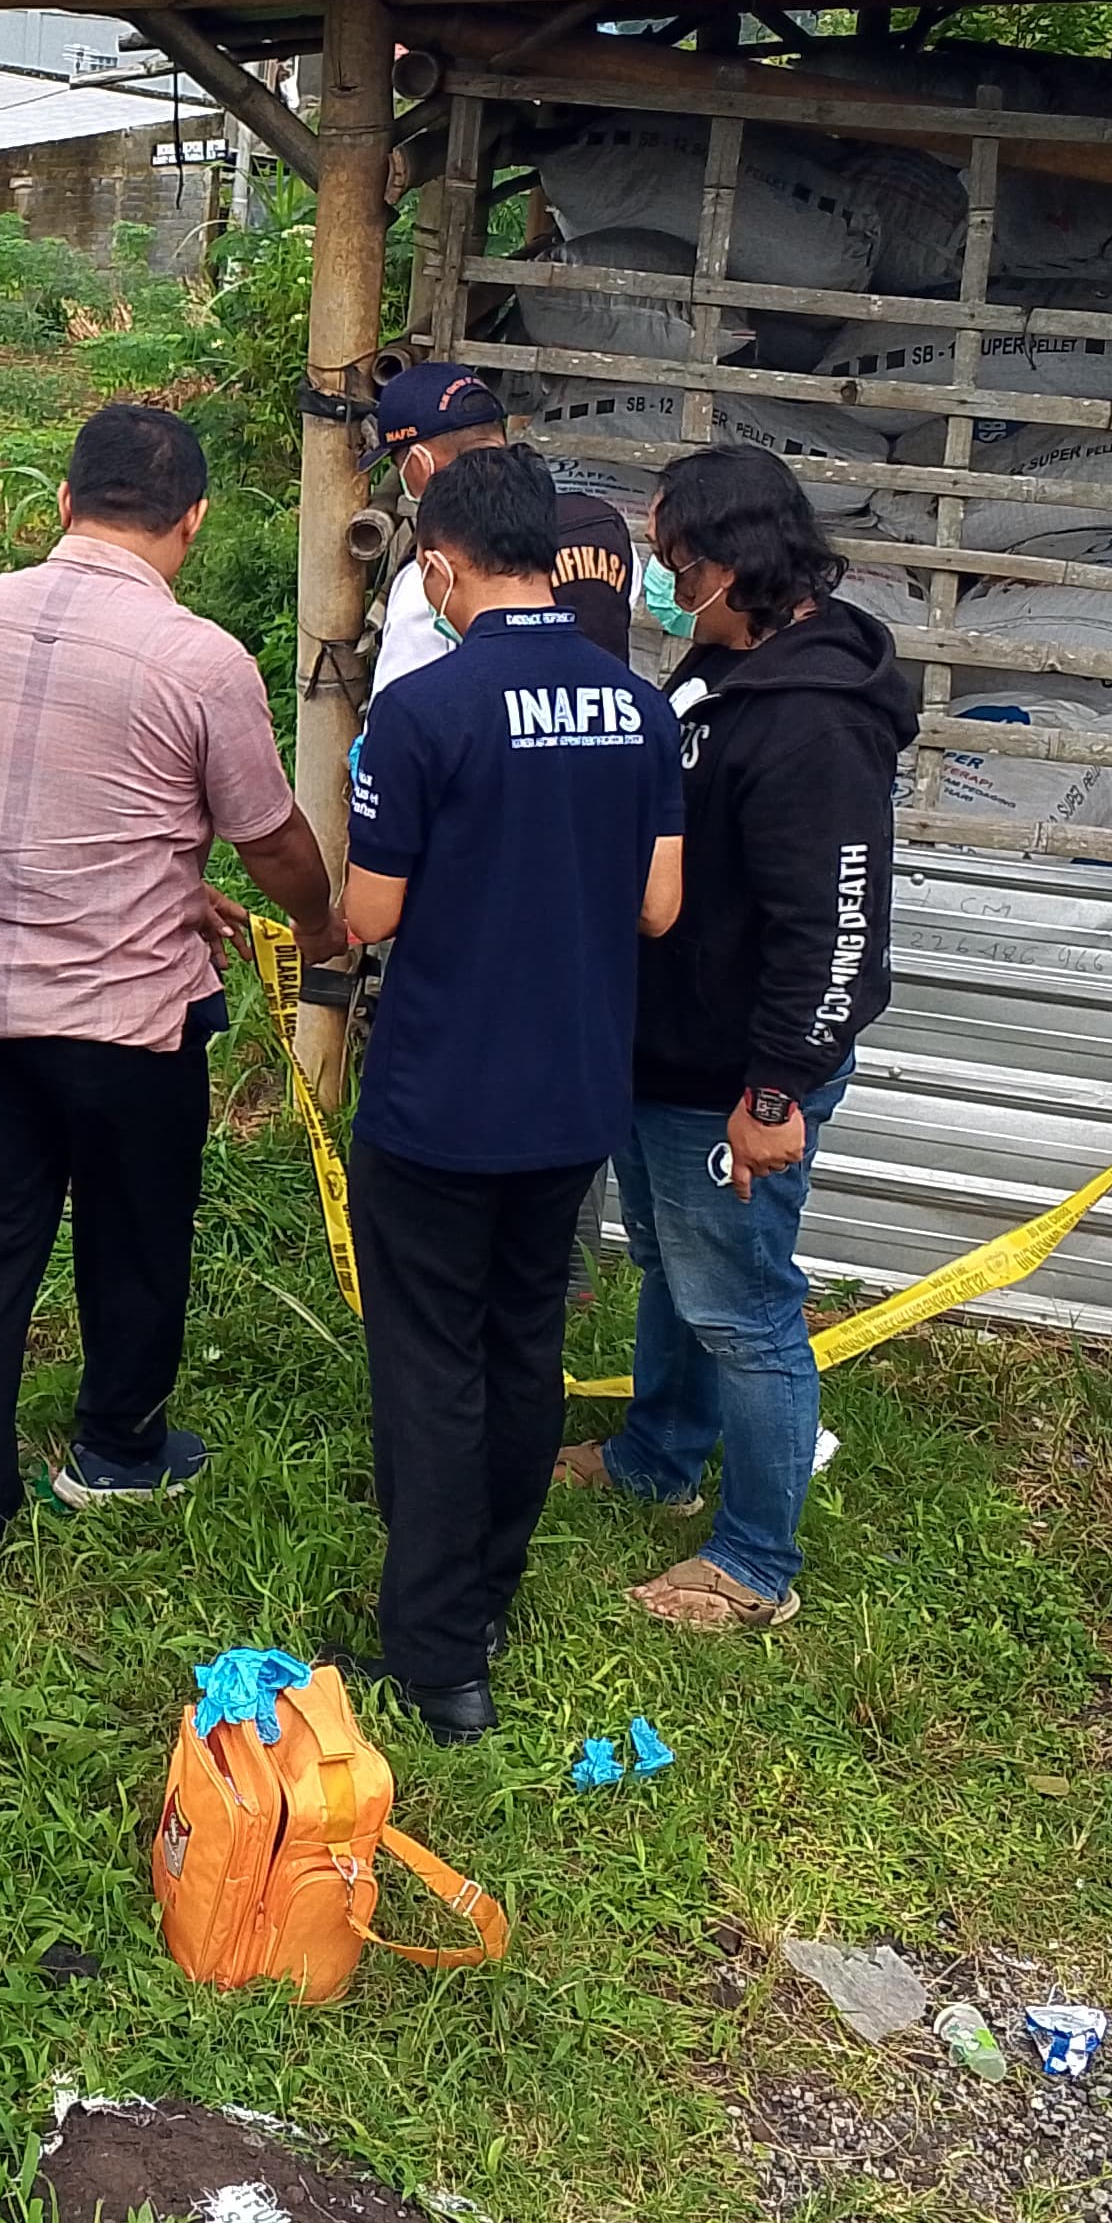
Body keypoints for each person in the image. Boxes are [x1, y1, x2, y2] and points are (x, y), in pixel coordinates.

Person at [0, 403, 346, 1580]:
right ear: (192, 520)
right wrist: (317, 925)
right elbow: (269, 836)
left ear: (65, 499)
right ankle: (116, 1451)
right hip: (123, 1016)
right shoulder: (199, 658)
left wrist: (170, 874)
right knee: (135, 1234)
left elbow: (42, 791)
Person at [335, 442, 683, 1740]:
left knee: (431, 1365)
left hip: (440, 1097)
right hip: (573, 1093)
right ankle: (487, 1599)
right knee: (524, 1345)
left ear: (439, 567)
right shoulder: (638, 710)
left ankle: (438, 1661)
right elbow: (659, 906)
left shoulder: (421, 714)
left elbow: (370, 915)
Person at [559, 441, 914, 1635]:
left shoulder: (815, 722)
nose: (663, 586)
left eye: (673, 562)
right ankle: (657, 1457)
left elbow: (836, 930)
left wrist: (776, 1093)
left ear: (726, 563)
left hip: (739, 1074)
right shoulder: (721, 668)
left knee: (744, 1310)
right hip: (668, 1052)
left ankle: (756, 1562)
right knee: (675, 1270)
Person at [364, 363, 636, 696]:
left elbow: (396, 706)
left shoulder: (436, 572)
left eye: (400, 465)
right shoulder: (603, 527)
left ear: (421, 463)